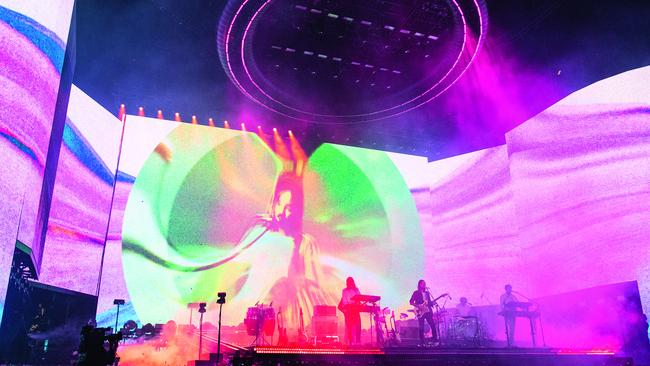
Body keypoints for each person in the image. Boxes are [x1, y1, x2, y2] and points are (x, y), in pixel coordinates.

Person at [409, 280, 438, 346]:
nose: (424, 285)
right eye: (422, 283)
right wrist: (418, 306)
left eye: (425, 283)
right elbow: (411, 302)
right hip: (420, 311)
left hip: (427, 311)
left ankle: (435, 340)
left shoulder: (427, 293)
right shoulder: (416, 293)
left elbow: (429, 302)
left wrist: (432, 303)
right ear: (419, 285)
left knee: (432, 325)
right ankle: (422, 341)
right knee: (421, 326)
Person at [338, 277, 362, 346]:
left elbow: (360, 297)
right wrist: (345, 311)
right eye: (349, 282)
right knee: (349, 328)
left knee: (358, 326)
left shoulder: (356, 290)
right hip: (349, 310)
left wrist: (358, 302)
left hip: (356, 310)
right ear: (347, 283)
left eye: (351, 281)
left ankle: (358, 342)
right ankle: (350, 342)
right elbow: (344, 302)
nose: (350, 283)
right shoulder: (345, 291)